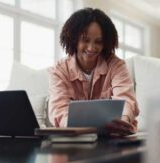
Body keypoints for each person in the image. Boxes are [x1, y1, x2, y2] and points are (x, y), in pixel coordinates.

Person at [48, 8, 139, 136]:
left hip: (113, 137)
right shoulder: (59, 70)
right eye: (85, 40)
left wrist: (122, 121)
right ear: (74, 39)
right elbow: (58, 110)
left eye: (98, 42)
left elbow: (127, 100)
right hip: (75, 138)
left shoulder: (116, 65)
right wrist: (76, 127)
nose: (91, 48)